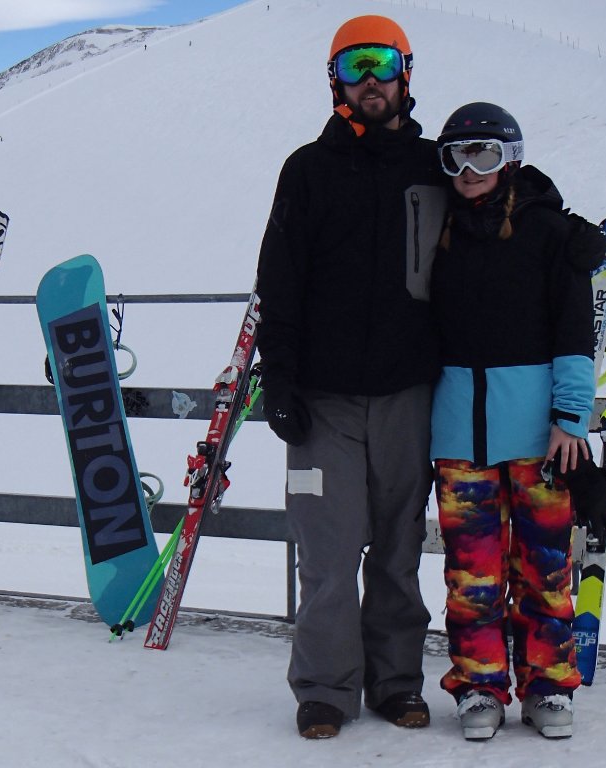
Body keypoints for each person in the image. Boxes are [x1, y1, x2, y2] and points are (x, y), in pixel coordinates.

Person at [255, 15, 448, 739]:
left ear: (406, 71)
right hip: (324, 400)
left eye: (382, 62)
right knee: (329, 556)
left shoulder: (433, 167)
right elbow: (281, 278)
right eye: (353, 65)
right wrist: (281, 384)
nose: (370, 79)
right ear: (335, 79)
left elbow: (499, 212)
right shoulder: (307, 169)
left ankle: (396, 683)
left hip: (410, 394)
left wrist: (552, 213)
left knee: (399, 553)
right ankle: (325, 691)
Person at [429, 102, 606, 740]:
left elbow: (573, 335)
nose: (468, 170)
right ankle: (480, 684)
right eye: (455, 156)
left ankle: (547, 686)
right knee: (473, 574)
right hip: (460, 439)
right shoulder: (439, 229)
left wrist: (571, 418)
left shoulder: (547, 235)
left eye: (483, 154)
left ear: (510, 159)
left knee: (543, 570)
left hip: (540, 438)